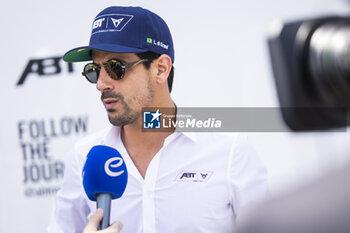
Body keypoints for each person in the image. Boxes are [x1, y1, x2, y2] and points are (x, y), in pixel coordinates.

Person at [48, 6, 269, 233]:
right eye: (94, 69)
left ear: (161, 69)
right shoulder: (83, 157)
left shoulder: (229, 149)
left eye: (116, 68)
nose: (101, 84)